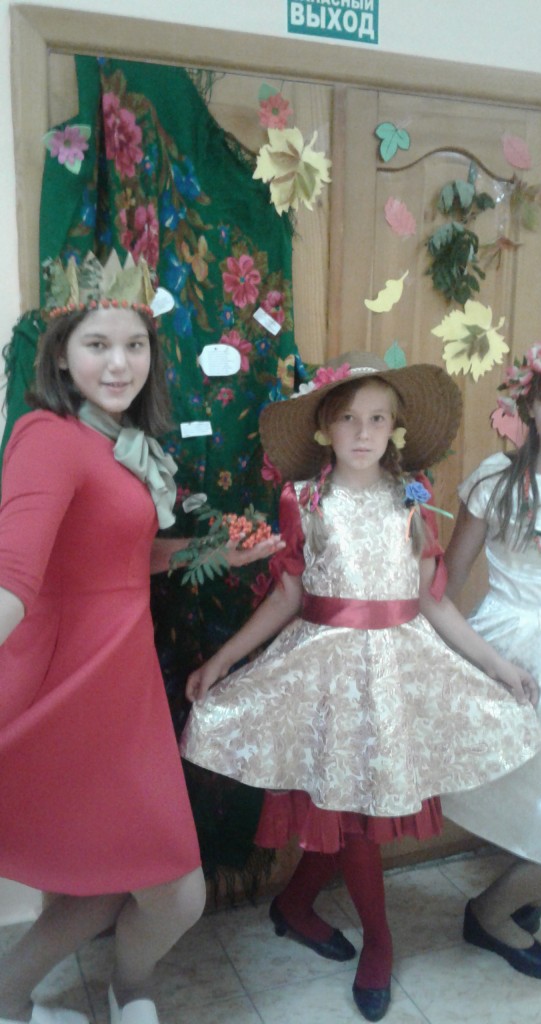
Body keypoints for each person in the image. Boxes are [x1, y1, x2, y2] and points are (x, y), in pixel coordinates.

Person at [179, 352, 541, 1022]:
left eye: (377, 418)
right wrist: (225, 660)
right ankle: (380, 942)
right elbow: (289, 595)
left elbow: (430, 600)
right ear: (324, 426)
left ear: (395, 427)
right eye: (348, 418)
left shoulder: (412, 495)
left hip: (394, 674)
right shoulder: (304, 499)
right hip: (327, 677)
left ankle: (295, 905)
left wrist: (496, 665)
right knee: (353, 817)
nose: (363, 431)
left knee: (354, 813)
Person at [0, 255, 283, 1024]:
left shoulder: (112, 441)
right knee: (173, 889)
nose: (120, 363)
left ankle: (103, 992)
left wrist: (213, 552)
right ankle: (77, 992)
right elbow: (12, 577)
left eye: (134, 345)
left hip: (122, 690)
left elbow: (121, 557)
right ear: (62, 354)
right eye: (97, 344)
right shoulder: (48, 436)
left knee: (121, 881)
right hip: (74, 695)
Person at [442, 334, 541, 982]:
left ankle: (518, 895)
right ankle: (494, 912)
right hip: (511, 651)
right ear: (529, 406)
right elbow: (443, 584)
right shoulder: (497, 481)